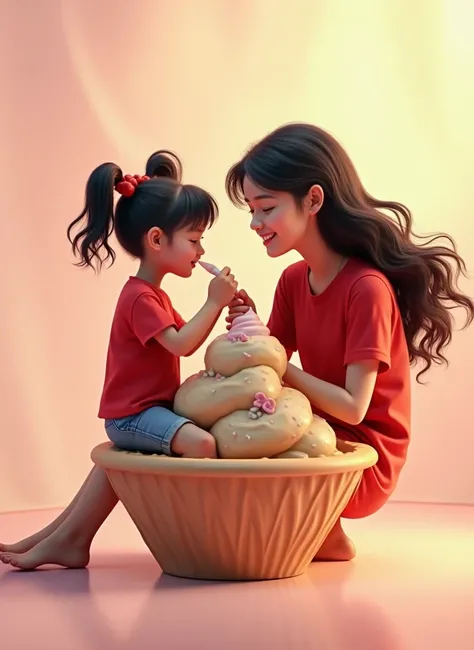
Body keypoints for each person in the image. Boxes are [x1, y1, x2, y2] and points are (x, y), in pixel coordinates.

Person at [225, 122, 474, 560]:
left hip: (361, 457)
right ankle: (311, 531)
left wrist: (278, 365)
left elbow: (353, 406)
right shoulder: (292, 280)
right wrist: (248, 329)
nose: (254, 222)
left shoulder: (367, 289)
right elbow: (270, 372)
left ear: (314, 200)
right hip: (314, 431)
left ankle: (327, 534)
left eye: (265, 208)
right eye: (251, 209)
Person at [0, 150, 238, 570]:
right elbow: (183, 344)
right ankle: (196, 537)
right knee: (201, 443)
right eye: (195, 239)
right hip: (133, 416)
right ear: (157, 240)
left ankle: (61, 540)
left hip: (141, 413)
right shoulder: (141, 298)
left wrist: (228, 310)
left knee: (114, 468)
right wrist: (213, 302)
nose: (201, 250)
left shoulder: (152, 295)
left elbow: (190, 338)